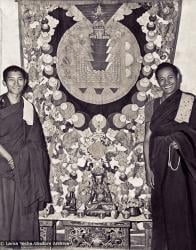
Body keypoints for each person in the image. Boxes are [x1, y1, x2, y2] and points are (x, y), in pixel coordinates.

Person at [144, 62, 196, 250]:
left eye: (170, 78)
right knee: (161, 210)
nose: (166, 82)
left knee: (181, 208)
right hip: (158, 162)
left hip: (181, 164)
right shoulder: (153, 105)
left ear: (178, 78)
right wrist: (148, 169)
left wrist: (181, 141)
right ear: (157, 82)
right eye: (161, 79)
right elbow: (147, 139)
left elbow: (191, 131)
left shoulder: (187, 101)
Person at [0, 65, 51, 241]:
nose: (16, 83)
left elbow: (36, 141)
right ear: (4, 82)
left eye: (20, 79)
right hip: (3, 164)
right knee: (5, 208)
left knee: (23, 208)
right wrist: (8, 156)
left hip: (24, 165)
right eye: (11, 79)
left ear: (26, 82)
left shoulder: (28, 108)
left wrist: (26, 156)